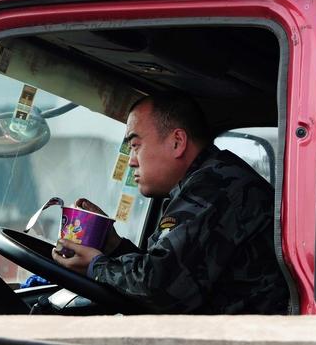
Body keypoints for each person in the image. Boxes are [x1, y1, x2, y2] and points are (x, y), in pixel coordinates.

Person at [51, 93, 289, 314]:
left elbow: (158, 288)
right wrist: (113, 245)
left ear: (177, 142)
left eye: (135, 145)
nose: (131, 161)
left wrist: (96, 266)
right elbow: (172, 271)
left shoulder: (214, 187)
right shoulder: (209, 179)